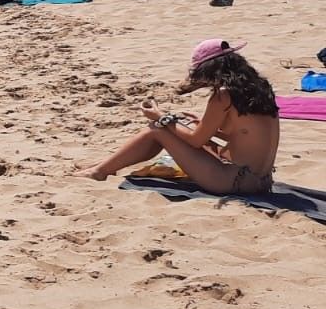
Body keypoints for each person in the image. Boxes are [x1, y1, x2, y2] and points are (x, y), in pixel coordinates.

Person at [76, 39, 278, 195]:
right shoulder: (261, 88)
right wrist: (200, 126)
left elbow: (196, 141)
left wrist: (162, 117)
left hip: (233, 182)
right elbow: (245, 137)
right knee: (184, 126)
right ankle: (102, 165)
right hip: (261, 181)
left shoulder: (223, 95)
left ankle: (99, 171)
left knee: (157, 129)